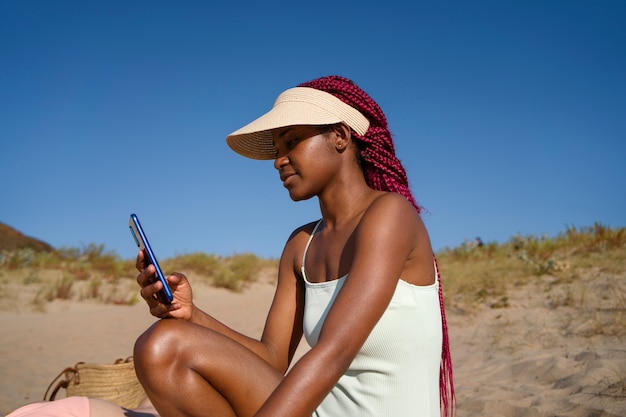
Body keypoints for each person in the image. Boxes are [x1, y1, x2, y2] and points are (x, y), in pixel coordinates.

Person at [6, 75, 454, 417]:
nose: (279, 159)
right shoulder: (301, 245)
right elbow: (272, 361)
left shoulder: (390, 216)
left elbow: (332, 352)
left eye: (292, 141)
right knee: (162, 344)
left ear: (340, 136)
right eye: (276, 147)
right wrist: (191, 314)